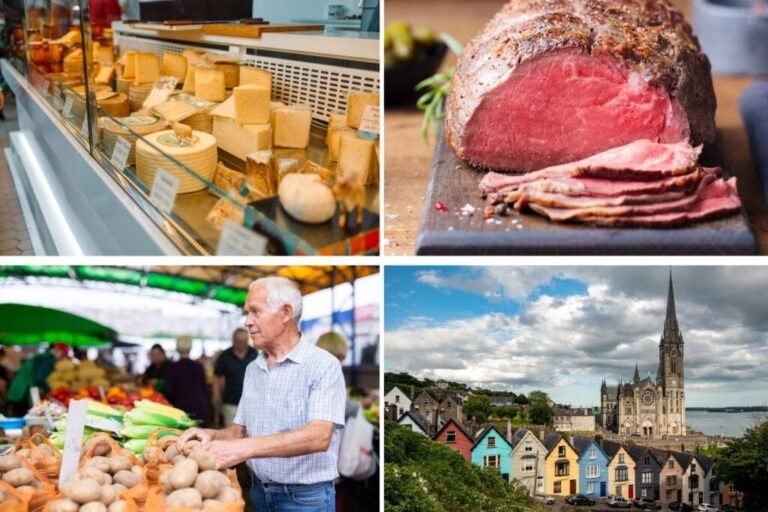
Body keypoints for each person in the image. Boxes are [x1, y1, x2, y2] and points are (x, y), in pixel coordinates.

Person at [178, 277, 346, 512]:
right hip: (259, 493)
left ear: (286, 312)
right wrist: (212, 436)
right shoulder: (253, 368)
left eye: (255, 312)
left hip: (304, 499)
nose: (247, 322)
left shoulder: (323, 365)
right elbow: (239, 430)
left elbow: (319, 436)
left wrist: (245, 448)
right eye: (247, 313)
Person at [213, 327, 258, 427]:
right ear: (233, 340)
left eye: (244, 341)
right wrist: (216, 395)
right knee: (230, 432)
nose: (241, 344)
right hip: (230, 401)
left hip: (251, 402)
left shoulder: (254, 354)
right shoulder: (225, 355)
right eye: (239, 341)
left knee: (249, 433)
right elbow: (217, 376)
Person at [165, 335, 209, 427]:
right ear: (191, 347)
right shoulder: (198, 366)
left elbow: (169, 391)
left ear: (177, 348)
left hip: (180, 411)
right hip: (199, 409)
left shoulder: (172, 368)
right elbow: (204, 390)